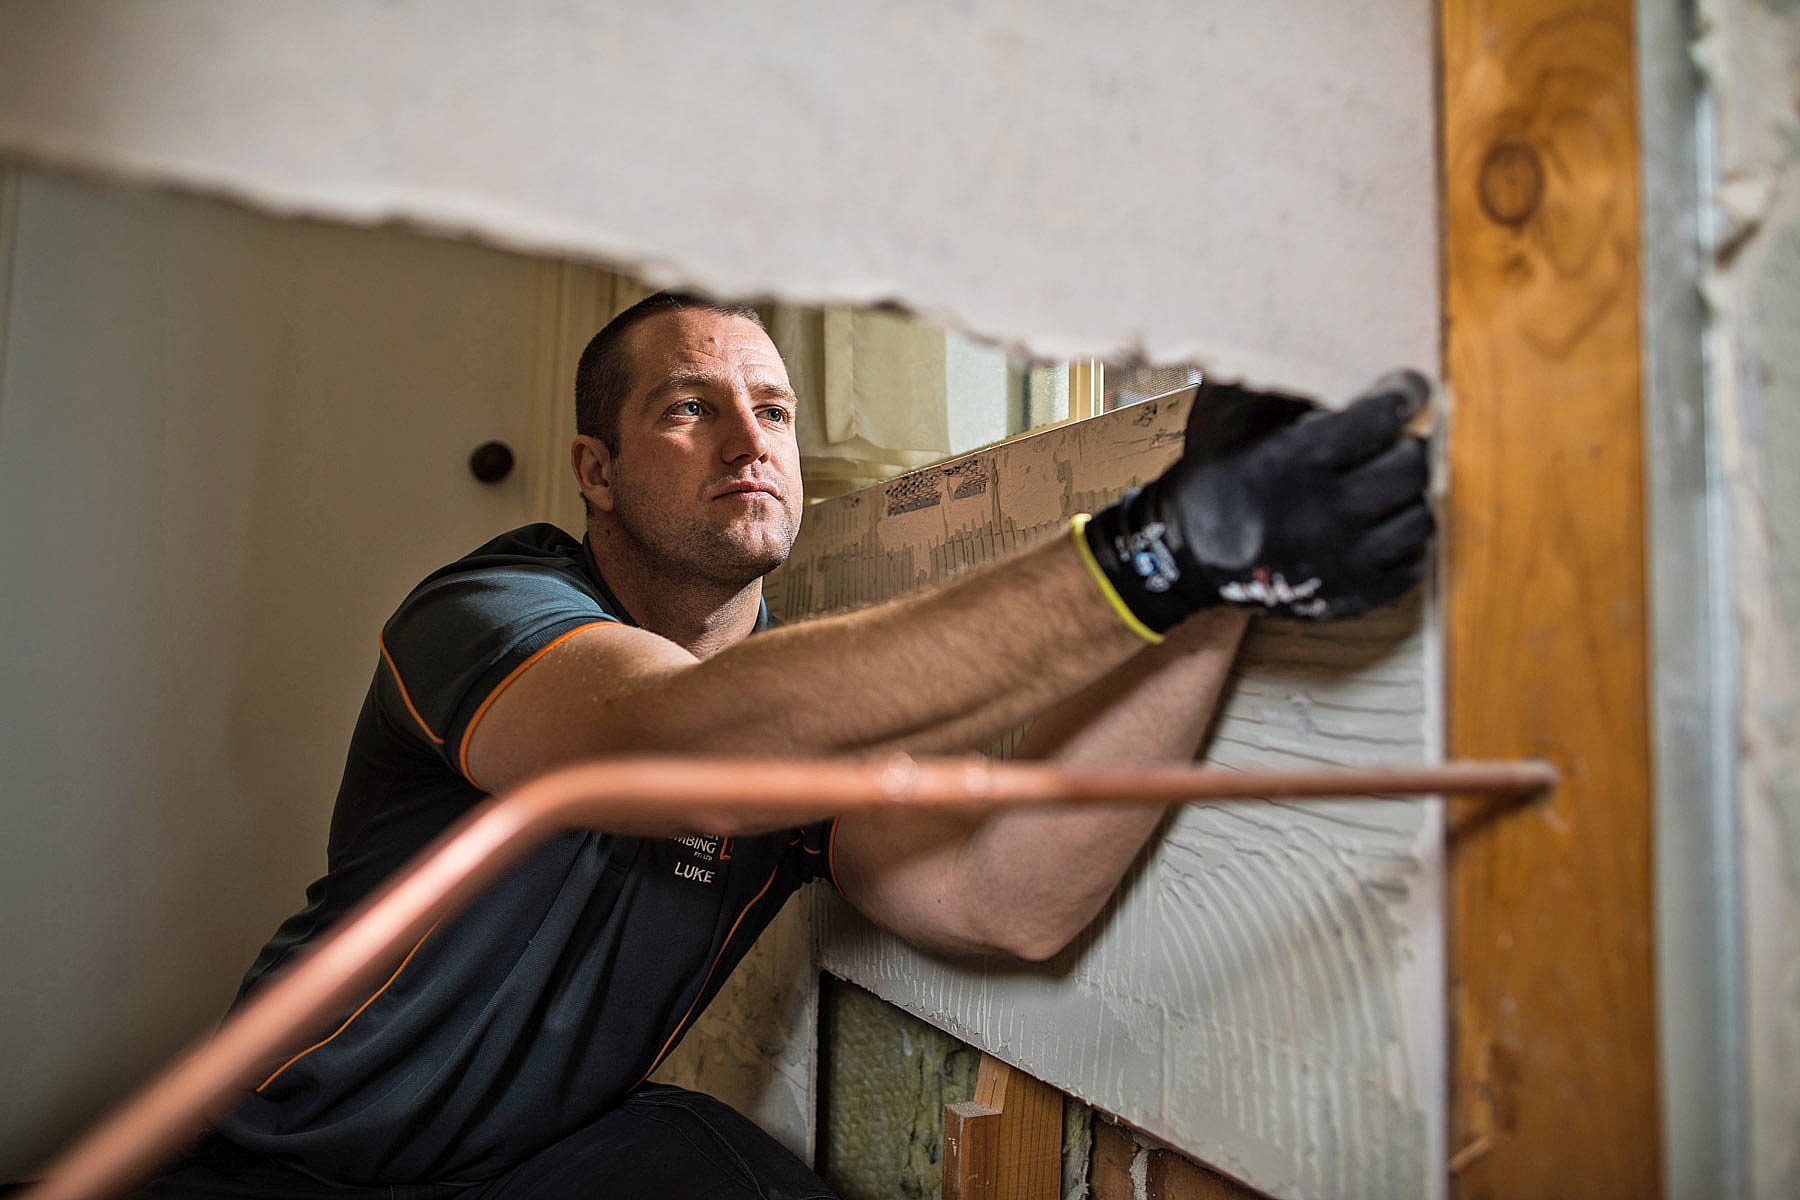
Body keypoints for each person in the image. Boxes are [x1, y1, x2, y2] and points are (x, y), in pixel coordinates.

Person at [138, 292, 1432, 1198]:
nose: (753, 439)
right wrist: (1153, 551)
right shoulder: (488, 608)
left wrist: (1210, 597)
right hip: (282, 1159)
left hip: (538, 1164)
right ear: (596, 468)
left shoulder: (795, 710)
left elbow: (1005, 900)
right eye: (693, 408)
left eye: (774, 408)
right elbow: (661, 735)